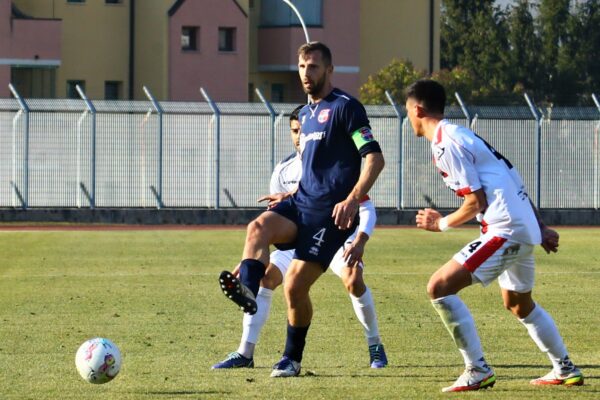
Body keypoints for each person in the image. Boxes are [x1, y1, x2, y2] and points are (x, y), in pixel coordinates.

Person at [218, 41, 385, 378]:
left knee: (295, 287)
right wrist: (291, 194)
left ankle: (291, 359)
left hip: (330, 216)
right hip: (300, 204)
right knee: (257, 228)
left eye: (313, 67)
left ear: (329, 70)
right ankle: (248, 291)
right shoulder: (305, 115)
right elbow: (317, 173)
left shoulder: (346, 107)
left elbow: (374, 158)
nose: (306, 73)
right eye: (302, 67)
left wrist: (353, 198)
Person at [406, 79, 583, 392]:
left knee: (439, 287)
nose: (409, 117)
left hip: (505, 227)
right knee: (518, 303)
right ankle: (564, 368)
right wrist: (538, 226)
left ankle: (477, 369)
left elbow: (476, 202)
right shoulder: (462, 134)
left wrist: (441, 224)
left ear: (417, 109)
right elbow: (511, 176)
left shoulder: (445, 142)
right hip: (519, 224)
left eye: (408, 111)